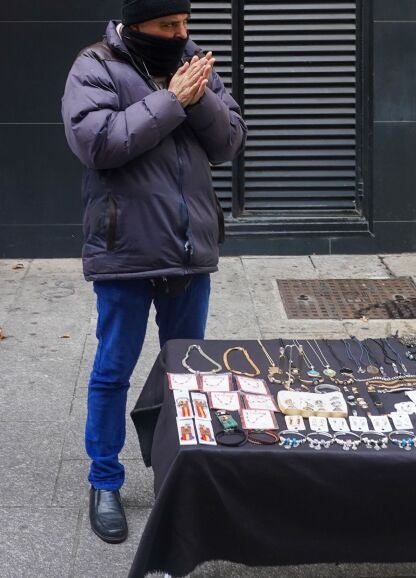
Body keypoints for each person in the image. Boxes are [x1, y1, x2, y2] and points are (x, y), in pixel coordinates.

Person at [61, 0, 246, 544]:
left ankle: (180, 475)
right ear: (136, 25)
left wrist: (197, 96)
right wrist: (172, 100)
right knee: (113, 369)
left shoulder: (193, 63)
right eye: (168, 25)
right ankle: (104, 480)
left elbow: (229, 142)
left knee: (186, 372)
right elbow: (97, 144)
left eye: (185, 24)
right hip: (126, 249)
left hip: (189, 249)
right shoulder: (95, 65)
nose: (180, 34)